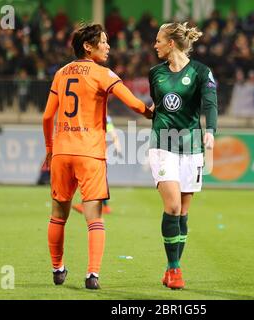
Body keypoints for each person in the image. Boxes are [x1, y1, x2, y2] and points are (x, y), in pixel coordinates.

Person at [42, 23, 153, 289]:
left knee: (58, 215)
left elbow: (47, 116)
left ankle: (57, 269)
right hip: (89, 154)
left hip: (62, 152)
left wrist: (49, 149)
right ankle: (92, 275)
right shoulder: (103, 73)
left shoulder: (60, 73)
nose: (108, 46)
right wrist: (149, 112)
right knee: (95, 218)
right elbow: (133, 103)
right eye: (103, 42)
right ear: (87, 46)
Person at [148, 22, 218, 289]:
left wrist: (210, 130)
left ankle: (170, 268)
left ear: (171, 43)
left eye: (158, 40)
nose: (154, 45)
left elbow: (210, 103)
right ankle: (176, 270)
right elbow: (159, 105)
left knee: (184, 214)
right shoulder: (155, 73)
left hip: (192, 147)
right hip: (162, 144)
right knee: (173, 207)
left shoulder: (201, 72)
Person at [72, 115, 122, 214]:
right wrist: (117, 146)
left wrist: (117, 145)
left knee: (91, 180)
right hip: (96, 153)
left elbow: (113, 134)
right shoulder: (105, 118)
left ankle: (87, 205)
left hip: (95, 153)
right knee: (96, 180)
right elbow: (114, 135)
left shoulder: (101, 117)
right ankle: (103, 206)